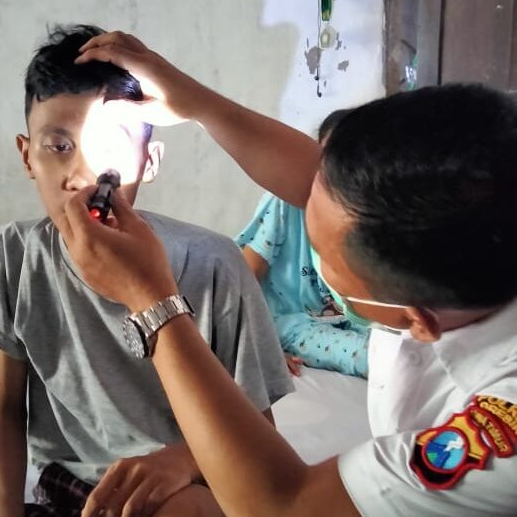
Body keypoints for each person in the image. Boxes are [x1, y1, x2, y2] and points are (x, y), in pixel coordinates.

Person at [54, 31, 517, 517]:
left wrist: (152, 302)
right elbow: (317, 180)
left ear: (416, 318)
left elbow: (283, 506)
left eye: (323, 255)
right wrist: (195, 101)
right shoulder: (479, 218)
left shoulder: (495, 431)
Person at [0, 25, 293, 517]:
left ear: (149, 161)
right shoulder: (13, 256)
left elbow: (260, 433)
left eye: (109, 147)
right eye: (58, 146)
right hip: (74, 483)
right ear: (27, 156)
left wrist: (183, 459)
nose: (81, 174)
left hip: (196, 476)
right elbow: (7, 409)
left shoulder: (215, 264)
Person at [237, 109, 370, 377]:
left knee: (404, 346)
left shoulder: (366, 209)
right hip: (292, 319)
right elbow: (243, 275)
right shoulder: (285, 202)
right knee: (370, 357)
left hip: (349, 317)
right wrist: (258, 345)